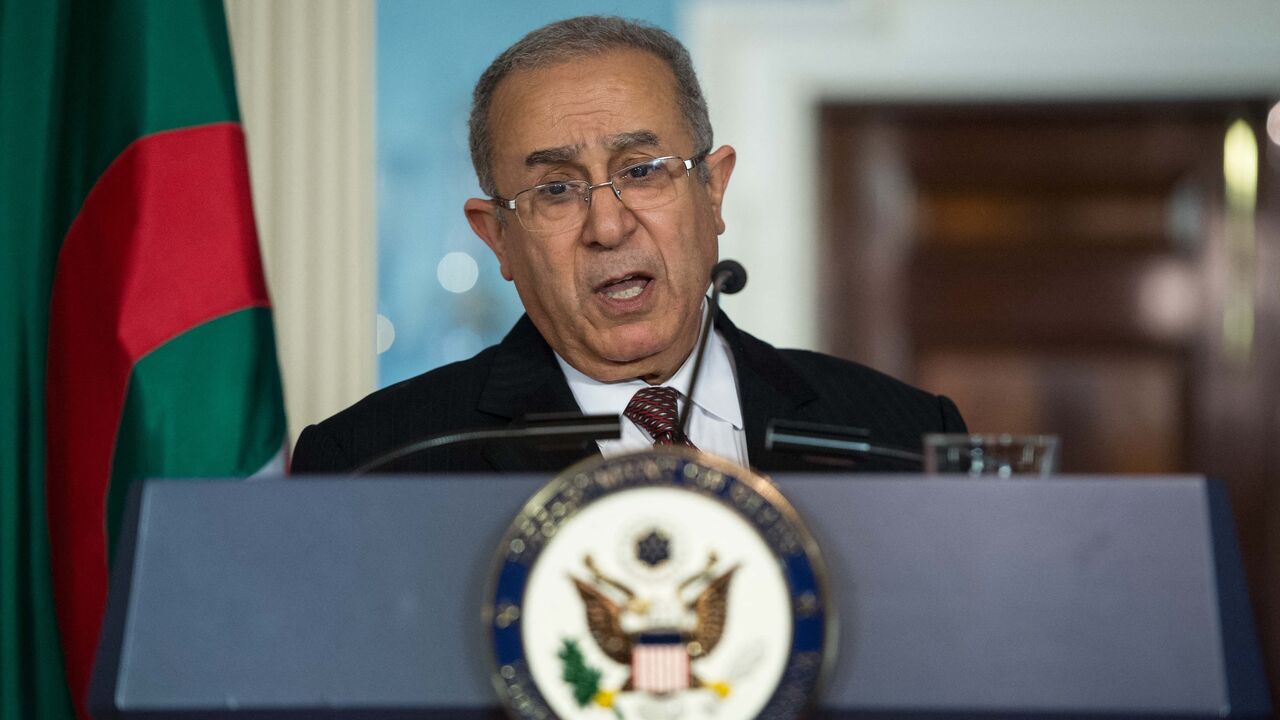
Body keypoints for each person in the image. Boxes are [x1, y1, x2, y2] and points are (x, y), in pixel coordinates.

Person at [291, 15, 965, 475]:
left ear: (713, 190)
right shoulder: (376, 458)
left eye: (641, 172)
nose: (608, 227)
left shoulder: (904, 438)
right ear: (497, 237)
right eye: (555, 190)